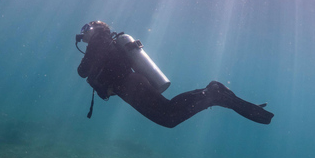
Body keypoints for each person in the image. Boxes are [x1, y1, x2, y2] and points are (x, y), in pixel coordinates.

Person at [76, 21, 274, 128]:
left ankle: (211, 94)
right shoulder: (105, 44)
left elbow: (82, 71)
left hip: (130, 86)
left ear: (95, 29)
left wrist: (89, 51)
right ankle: (210, 94)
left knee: (169, 118)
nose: (83, 34)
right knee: (169, 113)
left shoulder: (98, 41)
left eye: (86, 29)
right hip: (132, 84)